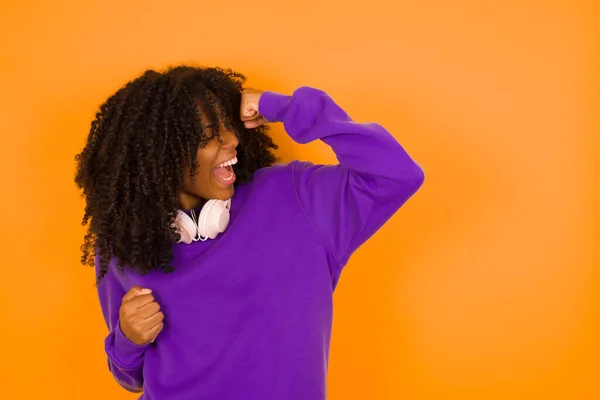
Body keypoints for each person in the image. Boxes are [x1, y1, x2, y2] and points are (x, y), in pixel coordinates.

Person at [75, 65, 424, 400]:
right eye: (210, 135)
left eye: (228, 126)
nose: (231, 140)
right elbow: (130, 380)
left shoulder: (295, 198)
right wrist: (127, 339)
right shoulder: (125, 244)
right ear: (162, 156)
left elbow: (397, 175)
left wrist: (288, 108)